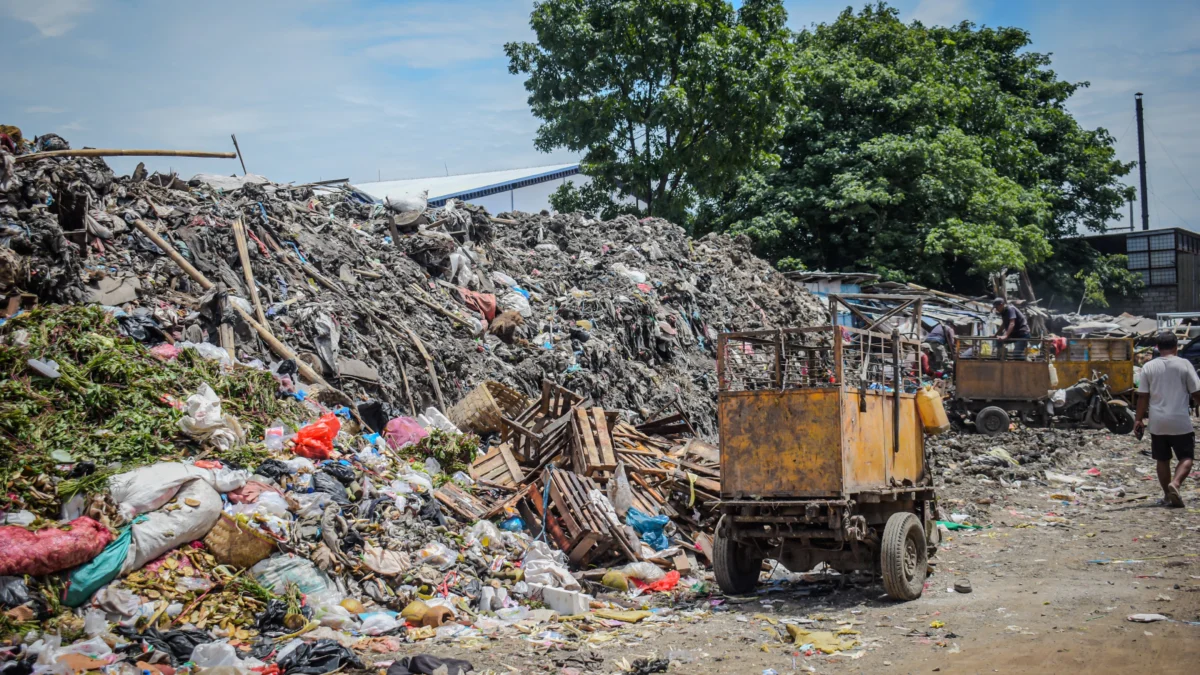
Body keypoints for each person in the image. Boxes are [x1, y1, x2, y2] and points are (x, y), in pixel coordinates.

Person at [1134, 332, 1200, 508]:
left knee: (1162, 460)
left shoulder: (1148, 367)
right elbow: (1196, 392)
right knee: (1186, 457)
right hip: (1180, 420)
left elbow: (1142, 397)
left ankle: (1167, 496)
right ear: (1176, 346)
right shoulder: (1184, 364)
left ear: (1157, 347)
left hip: (1157, 422)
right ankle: (1176, 484)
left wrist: (1138, 420)